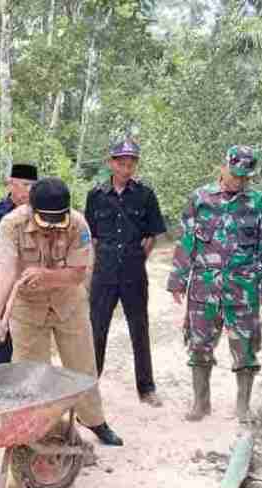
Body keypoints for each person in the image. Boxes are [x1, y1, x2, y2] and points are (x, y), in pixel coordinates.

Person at [0, 177, 123, 446]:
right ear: (31, 209)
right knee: (30, 372)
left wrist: (46, 276)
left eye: (57, 221)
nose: (51, 228)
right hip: (27, 307)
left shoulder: (78, 224)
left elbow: (77, 274)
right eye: (46, 221)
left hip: (68, 302)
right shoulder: (11, 224)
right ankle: (38, 429)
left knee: (82, 365)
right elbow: (5, 268)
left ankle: (93, 419)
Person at [167, 145, 262, 423]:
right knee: (199, 345)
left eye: (245, 177)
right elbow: (186, 241)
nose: (239, 181)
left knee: (245, 348)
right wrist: (177, 279)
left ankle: (243, 407)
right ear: (224, 168)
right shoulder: (200, 198)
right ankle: (201, 403)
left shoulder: (258, 203)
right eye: (235, 174)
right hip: (204, 289)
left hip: (243, 289)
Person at [86, 138, 167, 407]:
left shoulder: (145, 195)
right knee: (96, 329)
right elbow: (91, 236)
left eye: (131, 163)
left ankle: (146, 388)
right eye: (121, 163)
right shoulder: (96, 195)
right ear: (111, 163)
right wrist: (98, 264)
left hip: (134, 272)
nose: (126, 168)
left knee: (139, 329)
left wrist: (137, 258)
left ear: (136, 165)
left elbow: (152, 235)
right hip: (104, 273)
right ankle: (89, 386)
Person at [0, 163, 38, 364]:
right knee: (0, 330)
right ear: (11, 184)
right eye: (24, 185)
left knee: (28, 334)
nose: (28, 190)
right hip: (2, 278)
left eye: (32, 186)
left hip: (29, 280)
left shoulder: (38, 212)